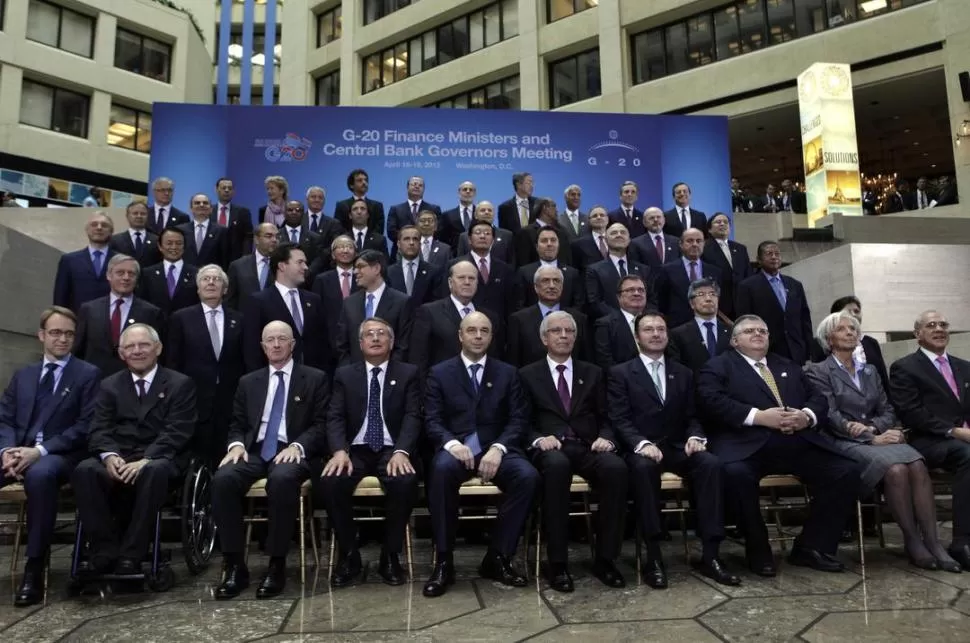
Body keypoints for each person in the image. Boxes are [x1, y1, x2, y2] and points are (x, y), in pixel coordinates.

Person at [697, 315, 861, 576]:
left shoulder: (787, 365)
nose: (758, 334)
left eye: (763, 330)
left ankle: (811, 547)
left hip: (796, 440)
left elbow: (818, 399)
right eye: (750, 331)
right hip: (747, 445)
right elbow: (711, 402)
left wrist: (805, 416)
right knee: (735, 475)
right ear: (735, 340)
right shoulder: (717, 367)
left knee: (846, 469)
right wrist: (759, 417)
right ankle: (758, 549)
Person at [807, 312, 959, 572]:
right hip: (842, 441)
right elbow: (829, 415)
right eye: (842, 329)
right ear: (828, 338)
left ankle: (934, 543)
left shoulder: (870, 371)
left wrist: (876, 428)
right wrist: (870, 436)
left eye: (853, 329)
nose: (850, 333)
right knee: (896, 469)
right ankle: (913, 542)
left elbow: (888, 409)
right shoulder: (816, 370)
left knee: (917, 463)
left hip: (879, 436)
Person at [611, 311, 741, 588]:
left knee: (710, 464)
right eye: (648, 329)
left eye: (661, 328)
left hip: (677, 446)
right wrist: (641, 443)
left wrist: (696, 436)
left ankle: (711, 554)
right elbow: (619, 418)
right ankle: (654, 557)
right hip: (642, 449)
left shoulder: (682, 372)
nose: (656, 334)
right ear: (637, 337)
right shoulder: (620, 373)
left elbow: (693, 415)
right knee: (644, 470)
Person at [211, 321, 330, 600]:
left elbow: (322, 424)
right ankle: (235, 565)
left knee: (282, 479)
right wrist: (236, 445)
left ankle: (276, 564)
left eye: (282, 339)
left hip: (292, 451)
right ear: (263, 347)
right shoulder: (248, 381)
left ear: (292, 344)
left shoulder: (314, 378)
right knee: (223, 479)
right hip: (254, 451)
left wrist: (299, 445)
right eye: (270, 340)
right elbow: (237, 423)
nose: (276, 345)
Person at [422, 312, 538, 597]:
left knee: (528, 476)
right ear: (460, 335)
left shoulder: (508, 373)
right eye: (471, 330)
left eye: (484, 331)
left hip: (496, 448)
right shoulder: (439, 372)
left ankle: (498, 556)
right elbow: (432, 419)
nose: (477, 336)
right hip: (457, 449)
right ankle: (444, 561)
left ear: (491, 337)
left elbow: (518, 419)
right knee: (441, 470)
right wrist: (451, 443)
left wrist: (499, 448)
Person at [71, 324, 197, 576]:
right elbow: (99, 428)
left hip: (161, 457)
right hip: (119, 456)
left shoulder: (180, 384)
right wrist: (110, 456)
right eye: (130, 346)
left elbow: (178, 430)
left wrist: (147, 459)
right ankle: (105, 550)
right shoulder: (109, 386)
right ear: (121, 353)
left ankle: (132, 554)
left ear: (158, 348)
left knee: (155, 471)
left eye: (144, 345)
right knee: (85, 470)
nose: (137, 351)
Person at [520, 311, 627, 592]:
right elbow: (521, 421)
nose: (564, 336)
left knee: (615, 468)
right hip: (550, 448)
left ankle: (605, 559)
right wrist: (538, 438)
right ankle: (558, 564)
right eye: (557, 331)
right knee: (556, 467)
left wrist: (606, 437)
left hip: (587, 446)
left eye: (569, 331)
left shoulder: (592, 372)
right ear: (545, 338)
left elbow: (608, 416)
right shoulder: (527, 374)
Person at [1, 307, 100, 606]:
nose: (63, 339)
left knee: (40, 475)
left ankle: (34, 567)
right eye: (56, 333)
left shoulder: (87, 374)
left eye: (69, 334)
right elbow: (4, 419)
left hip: (59, 454)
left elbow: (86, 426)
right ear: (41, 335)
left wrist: (39, 451)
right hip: (16, 451)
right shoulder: (24, 375)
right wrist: (6, 450)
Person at [320, 317, 422, 588]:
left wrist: (402, 451)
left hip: (392, 448)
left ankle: (390, 555)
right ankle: (350, 555)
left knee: (404, 480)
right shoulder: (345, 374)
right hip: (356, 449)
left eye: (381, 334)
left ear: (391, 341)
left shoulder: (408, 373)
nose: (375, 338)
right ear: (361, 342)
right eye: (369, 334)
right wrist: (339, 451)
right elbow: (335, 416)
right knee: (331, 481)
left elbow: (413, 416)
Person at [890, 310, 970, 571]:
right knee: (967, 456)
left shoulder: (964, 366)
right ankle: (962, 542)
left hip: (964, 437)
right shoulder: (904, 367)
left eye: (943, 325)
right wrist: (954, 431)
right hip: (928, 440)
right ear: (917, 334)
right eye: (931, 325)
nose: (939, 329)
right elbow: (911, 412)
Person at [165, 265, 245, 461]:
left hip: (229, 400)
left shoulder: (239, 318)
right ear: (198, 288)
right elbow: (173, 361)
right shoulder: (181, 318)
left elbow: (245, 360)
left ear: (225, 289)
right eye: (206, 279)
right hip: (193, 400)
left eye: (217, 279)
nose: (211, 282)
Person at [242, 243, 330, 373]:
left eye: (305, 263)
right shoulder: (259, 301)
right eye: (300, 262)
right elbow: (251, 349)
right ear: (282, 266)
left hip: (312, 382)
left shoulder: (313, 300)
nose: (305, 267)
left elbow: (323, 345)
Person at [72, 255, 165, 377]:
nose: (126, 277)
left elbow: (157, 355)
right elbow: (78, 350)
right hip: (94, 382)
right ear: (109, 276)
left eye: (131, 274)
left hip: (133, 381)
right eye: (120, 273)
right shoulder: (89, 309)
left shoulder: (151, 313)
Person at [409, 261, 504, 377]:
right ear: (450, 282)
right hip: (441, 386)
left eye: (472, 278)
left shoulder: (489, 316)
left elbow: (494, 358)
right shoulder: (429, 312)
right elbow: (419, 357)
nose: (467, 282)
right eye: (461, 278)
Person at [735, 241, 813, 365]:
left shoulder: (795, 285)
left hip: (797, 351)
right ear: (759, 260)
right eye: (769, 254)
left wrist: (809, 351)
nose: (774, 257)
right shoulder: (748, 286)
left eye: (777, 254)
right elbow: (745, 321)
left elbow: (805, 320)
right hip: (767, 351)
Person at [335, 250, 412, 365]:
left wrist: (389, 370)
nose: (355, 271)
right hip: (355, 375)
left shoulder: (401, 301)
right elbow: (342, 345)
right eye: (355, 268)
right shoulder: (349, 303)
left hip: (390, 373)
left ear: (376, 269)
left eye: (360, 267)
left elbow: (404, 344)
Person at [507, 266, 589, 367]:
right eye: (545, 281)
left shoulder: (578, 319)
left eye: (556, 281)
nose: (552, 286)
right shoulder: (519, 320)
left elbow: (586, 360)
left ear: (562, 286)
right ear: (536, 287)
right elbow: (513, 360)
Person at [810, 296, 890, 398]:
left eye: (857, 311)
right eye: (848, 311)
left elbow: (883, 377)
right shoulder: (820, 345)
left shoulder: (871, 343)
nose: (853, 314)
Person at [655, 228, 724, 328]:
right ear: (681, 244)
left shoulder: (715, 271)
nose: (695, 244)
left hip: (707, 325)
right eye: (690, 241)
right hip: (676, 326)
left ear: (704, 244)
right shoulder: (667, 270)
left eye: (699, 241)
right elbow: (661, 302)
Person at [585, 223, 653, 320]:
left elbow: (652, 299)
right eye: (614, 233)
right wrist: (623, 318)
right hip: (611, 325)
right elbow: (595, 302)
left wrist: (639, 318)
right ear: (605, 240)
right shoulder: (594, 270)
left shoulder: (644, 270)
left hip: (641, 323)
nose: (619, 235)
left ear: (629, 240)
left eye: (623, 232)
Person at [53, 212, 116, 313]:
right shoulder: (69, 260)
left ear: (111, 231)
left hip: (111, 321)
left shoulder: (121, 261)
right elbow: (60, 297)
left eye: (104, 225)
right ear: (87, 230)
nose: (99, 228)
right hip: (77, 322)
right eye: (94, 224)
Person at [668, 278, 731, 374]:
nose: (708, 298)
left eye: (713, 294)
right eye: (701, 294)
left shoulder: (731, 331)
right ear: (692, 303)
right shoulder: (678, 334)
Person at [312, 235, 359, 359]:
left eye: (349, 247)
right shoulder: (322, 279)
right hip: (329, 341)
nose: (345, 250)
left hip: (358, 338)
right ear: (333, 255)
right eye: (341, 247)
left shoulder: (362, 277)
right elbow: (317, 313)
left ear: (355, 254)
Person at [513, 228, 584, 311]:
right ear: (536, 246)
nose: (549, 244)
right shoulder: (524, 273)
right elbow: (519, 305)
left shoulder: (572, 273)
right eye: (544, 241)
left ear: (559, 245)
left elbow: (578, 305)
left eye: (553, 240)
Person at [459, 221, 516, 322]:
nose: (482, 236)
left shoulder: (505, 269)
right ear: (469, 239)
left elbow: (510, 305)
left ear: (493, 240)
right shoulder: (455, 266)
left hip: (498, 328)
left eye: (487, 233)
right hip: (465, 324)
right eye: (478, 232)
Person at [137, 227, 200, 316]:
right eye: (169, 243)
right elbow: (142, 303)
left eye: (178, 243)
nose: (174, 247)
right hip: (156, 325)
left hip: (187, 325)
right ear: (160, 246)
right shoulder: (147, 273)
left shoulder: (197, 273)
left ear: (184, 246)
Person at [594, 274, 652, 370]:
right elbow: (605, 363)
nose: (637, 293)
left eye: (641, 290)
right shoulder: (605, 325)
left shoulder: (657, 322)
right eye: (630, 290)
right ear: (619, 297)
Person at [701, 213, 752, 321]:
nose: (722, 224)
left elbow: (748, 275)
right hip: (718, 305)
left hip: (741, 304)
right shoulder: (703, 248)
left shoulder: (740, 248)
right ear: (709, 229)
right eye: (718, 222)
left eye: (725, 222)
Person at [387, 225, 445, 306]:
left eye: (415, 239)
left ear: (420, 244)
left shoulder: (434, 272)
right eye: (406, 239)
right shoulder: (389, 272)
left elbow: (437, 303)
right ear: (399, 244)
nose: (411, 243)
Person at [227, 223, 278, 311]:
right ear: (256, 239)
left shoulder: (284, 265)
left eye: (277, 237)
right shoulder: (238, 266)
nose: (274, 240)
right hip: (245, 320)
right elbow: (230, 301)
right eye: (268, 236)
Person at [387, 176, 441, 257]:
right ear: (407, 187)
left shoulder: (434, 209)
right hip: (400, 253)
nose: (417, 186)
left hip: (428, 252)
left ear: (424, 189)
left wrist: (422, 241)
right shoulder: (395, 209)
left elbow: (438, 230)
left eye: (420, 185)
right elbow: (391, 232)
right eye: (414, 184)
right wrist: (408, 240)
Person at [513, 197, 573, 267]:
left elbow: (567, 259)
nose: (557, 210)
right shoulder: (526, 232)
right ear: (545, 208)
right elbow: (523, 261)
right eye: (554, 206)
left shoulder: (562, 232)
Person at [454, 200, 515, 266]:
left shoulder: (507, 235)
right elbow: (460, 262)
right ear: (475, 215)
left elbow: (511, 263)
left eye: (490, 210)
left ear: (494, 215)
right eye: (483, 210)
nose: (487, 212)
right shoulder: (464, 236)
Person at [178, 193, 229, 269]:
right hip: (186, 275)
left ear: (211, 209)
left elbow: (225, 258)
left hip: (211, 277)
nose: (201, 205)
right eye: (197, 203)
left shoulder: (222, 230)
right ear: (191, 209)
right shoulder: (180, 230)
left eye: (205, 203)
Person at [213, 177, 254, 262]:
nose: (227, 190)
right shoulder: (209, 211)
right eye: (224, 188)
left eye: (230, 188)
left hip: (235, 259)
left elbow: (248, 237)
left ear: (233, 192)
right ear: (216, 190)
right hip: (212, 258)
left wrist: (245, 258)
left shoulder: (243, 212)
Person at [334, 169, 385, 236]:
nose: (364, 183)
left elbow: (379, 229)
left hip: (372, 244)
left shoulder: (377, 206)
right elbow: (338, 228)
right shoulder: (341, 206)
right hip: (348, 244)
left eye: (366, 180)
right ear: (351, 185)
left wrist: (366, 241)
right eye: (359, 180)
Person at [109, 202, 161, 268]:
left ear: (148, 216)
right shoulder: (115, 240)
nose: (139, 216)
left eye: (143, 214)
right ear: (127, 216)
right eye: (135, 213)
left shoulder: (157, 240)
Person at [277, 200, 323, 268]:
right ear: (284, 213)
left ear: (303, 214)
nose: (294, 212)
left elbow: (318, 259)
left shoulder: (314, 237)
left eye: (298, 210)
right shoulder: (276, 235)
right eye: (290, 210)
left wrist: (307, 272)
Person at [570, 206, 611, 273]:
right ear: (589, 221)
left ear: (607, 219)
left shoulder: (616, 240)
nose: (599, 217)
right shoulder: (577, 245)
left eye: (602, 215)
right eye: (595, 216)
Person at [439, 181, 477, 250]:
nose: (468, 191)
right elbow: (442, 240)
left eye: (471, 190)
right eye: (465, 189)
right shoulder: (447, 215)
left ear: (474, 193)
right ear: (459, 192)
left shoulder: (480, 214)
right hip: (454, 257)